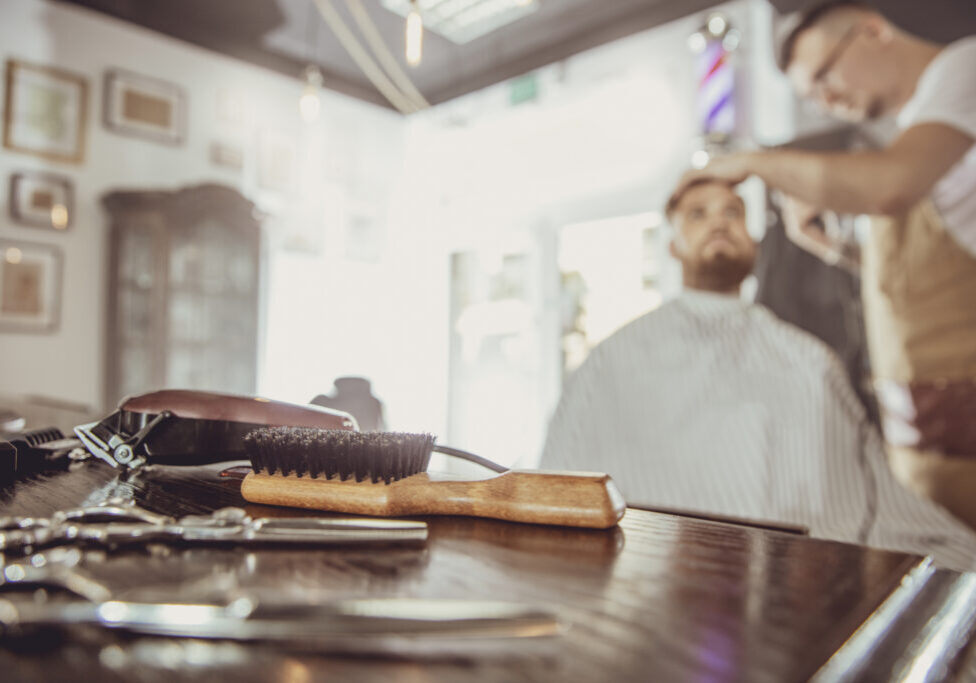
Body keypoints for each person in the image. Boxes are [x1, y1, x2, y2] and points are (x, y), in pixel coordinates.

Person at [540, 178, 976, 571]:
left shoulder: (809, 361)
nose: (719, 222)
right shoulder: (610, 362)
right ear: (672, 245)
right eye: (698, 214)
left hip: (782, 586)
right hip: (643, 578)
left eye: (733, 212)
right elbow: (557, 496)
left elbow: (873, 506)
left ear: (755, 243)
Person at [676, 1, 976, 528]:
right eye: (813, 96)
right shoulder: (925, 122)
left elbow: (890, 186)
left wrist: (749, 160)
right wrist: (836, 251)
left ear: (872, 29)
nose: (826, 100)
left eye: (823, 75)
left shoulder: (965, 68)